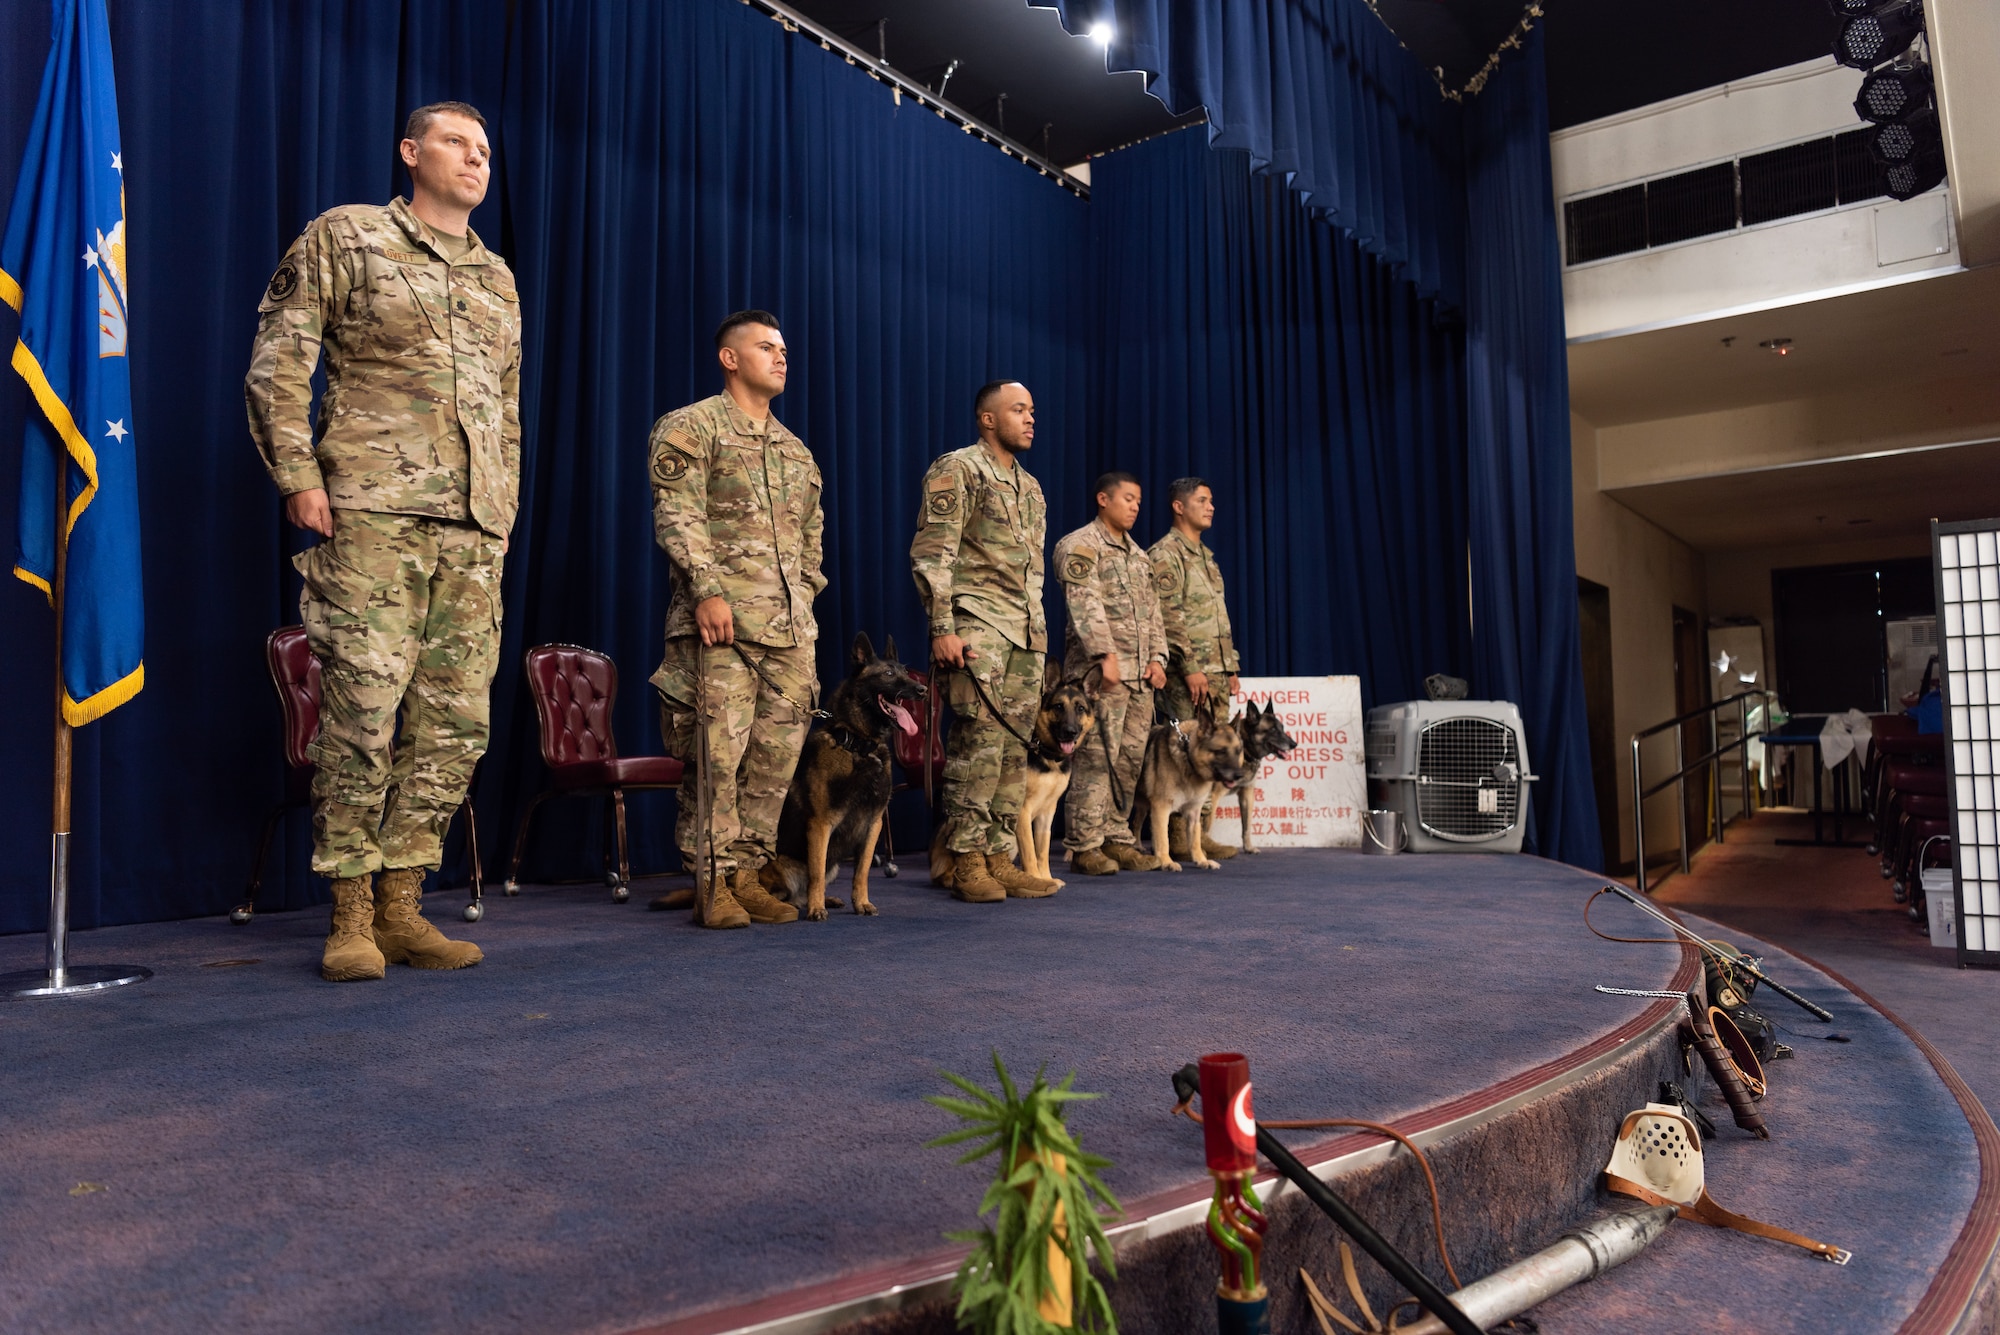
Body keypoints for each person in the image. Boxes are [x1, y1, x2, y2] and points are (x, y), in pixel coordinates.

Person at [246, 102, 515, 983]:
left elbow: (505, 412)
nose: (474, 160)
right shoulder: (348, 236)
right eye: (455, 143)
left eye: (484, 150)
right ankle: (351, 912)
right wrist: (298, 474)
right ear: (410, 152)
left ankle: (405, 903)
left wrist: (501, 511)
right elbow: (284, 354)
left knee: (454, 725)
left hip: (472, 534)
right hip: (369, 513)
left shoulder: (497, 277)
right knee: (363, 712)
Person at [649, 311, 824, 929]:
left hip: (788, 635)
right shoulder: (692, 428)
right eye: (766, 347)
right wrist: (707, 590)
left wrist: (804, 598)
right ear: (730, 358)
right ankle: (712, 878)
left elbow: (811, 539)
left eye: (783, 348)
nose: (781, 357)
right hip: (719, 626)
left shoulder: (795, 451)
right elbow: (678, 515)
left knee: (774, 762)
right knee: (717, 758)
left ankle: (748, 872)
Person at [910, 381, 1061, 903]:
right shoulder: (959, 469)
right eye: (1019, 409)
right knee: (977, 743)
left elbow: (1033, 570)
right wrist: (942, 627)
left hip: (1025, 632)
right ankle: (966, 858)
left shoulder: (1032, 488)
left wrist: (1038, 634)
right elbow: (935, 552)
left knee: (1014, 749)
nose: (1030, 418)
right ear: (987, 419)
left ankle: (1000, 856)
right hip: (977, 622)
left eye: (1032, 410)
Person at [1057, 472, 1168, 875]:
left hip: (1140, 679)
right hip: (1100, 676)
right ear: (1103, 499)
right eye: (1127, 498)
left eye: (1139, 500)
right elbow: (1084, 603)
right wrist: (1105, 654)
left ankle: (1117, 837)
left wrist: (1159, 658)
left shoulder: (1139, 556)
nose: (1135, 505)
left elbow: (1154, 613)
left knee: (1129, 761)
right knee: (1095, 760)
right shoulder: (1080, 545)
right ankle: (1085, 845)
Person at [1150, 476, 1243, 861]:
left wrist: (1231, 665)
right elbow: (1170, 617)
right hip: (1190, 674)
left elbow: (1216, 619)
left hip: (1216, 672)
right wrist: (1189, 667)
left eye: (1211, 500)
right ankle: (1176, 841)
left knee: (1214, 758)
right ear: (1179, 506)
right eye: (1202, 500)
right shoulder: (1166, 554)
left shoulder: (1204, 556)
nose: (1211, 507)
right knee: (1184, 757)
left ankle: (1198, 836)